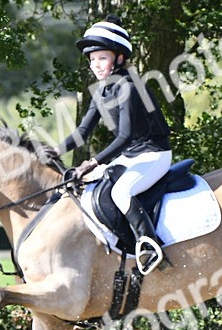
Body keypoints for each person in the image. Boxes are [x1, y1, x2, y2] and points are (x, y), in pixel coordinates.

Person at [58, 16, 173, 273]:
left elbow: (125, 137)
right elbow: (82, 132)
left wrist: (91, 162)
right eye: (91, 60)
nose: (95, 65)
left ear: (119, 58)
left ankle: (149, 246)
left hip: (153, 155)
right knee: (90, 187)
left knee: (121, 192)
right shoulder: (101, 91)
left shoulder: (130, 87)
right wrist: (53, 151)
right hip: (132, 156)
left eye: (102, 58)